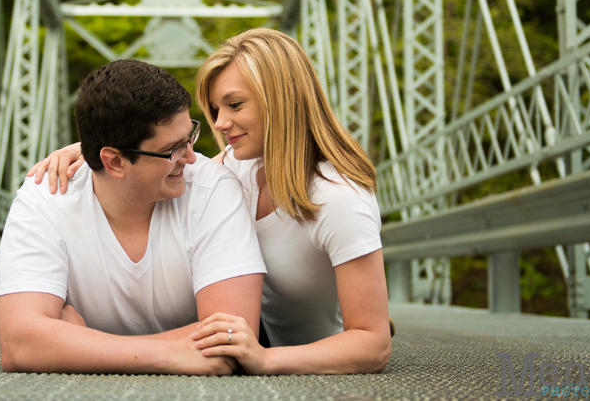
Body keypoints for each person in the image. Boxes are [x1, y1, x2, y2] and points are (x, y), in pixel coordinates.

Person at [30, 29, 391, 375]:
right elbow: (162, 160)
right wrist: (93, 151)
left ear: (282, 100)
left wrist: (266, 360)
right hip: (249, 342)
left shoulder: (340, 198)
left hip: (310, 365)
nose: (220, 123)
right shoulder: (240, 167)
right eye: (215, 109)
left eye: (234, 105)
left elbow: (372, 344)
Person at [0, 59, 266, 375]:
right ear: (114, 162)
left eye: (189, 136)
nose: (191, 157)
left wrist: (75, 343)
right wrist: (170, 355)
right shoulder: (45, 196)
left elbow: (234, 340)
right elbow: (18, 346)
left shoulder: (212, 188)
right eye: (172, 150)